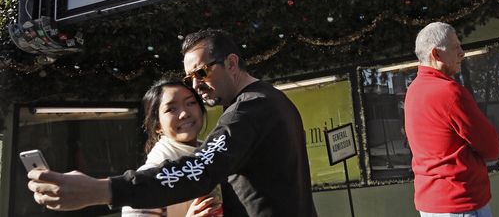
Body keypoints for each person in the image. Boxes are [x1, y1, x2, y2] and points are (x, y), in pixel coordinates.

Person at [28, 29, 317, 216]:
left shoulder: (248, 111)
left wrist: (102, 189)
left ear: (231, 63)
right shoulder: (274, 101)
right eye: (190, 77)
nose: (196, 85)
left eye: (201, 73)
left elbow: (199, 169)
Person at [404, 22, 499, 217]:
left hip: (431, 204)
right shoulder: (450, 92)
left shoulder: (413, 91)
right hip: (461, 202)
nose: (462, 53)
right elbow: (492, 147)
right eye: (456, 47)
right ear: (436, 54)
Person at [123, 80, 220, 217]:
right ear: (157, 126)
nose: (184, 113)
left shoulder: (220, 157)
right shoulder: (147, 181)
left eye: (190, 103)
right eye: (171, 109)